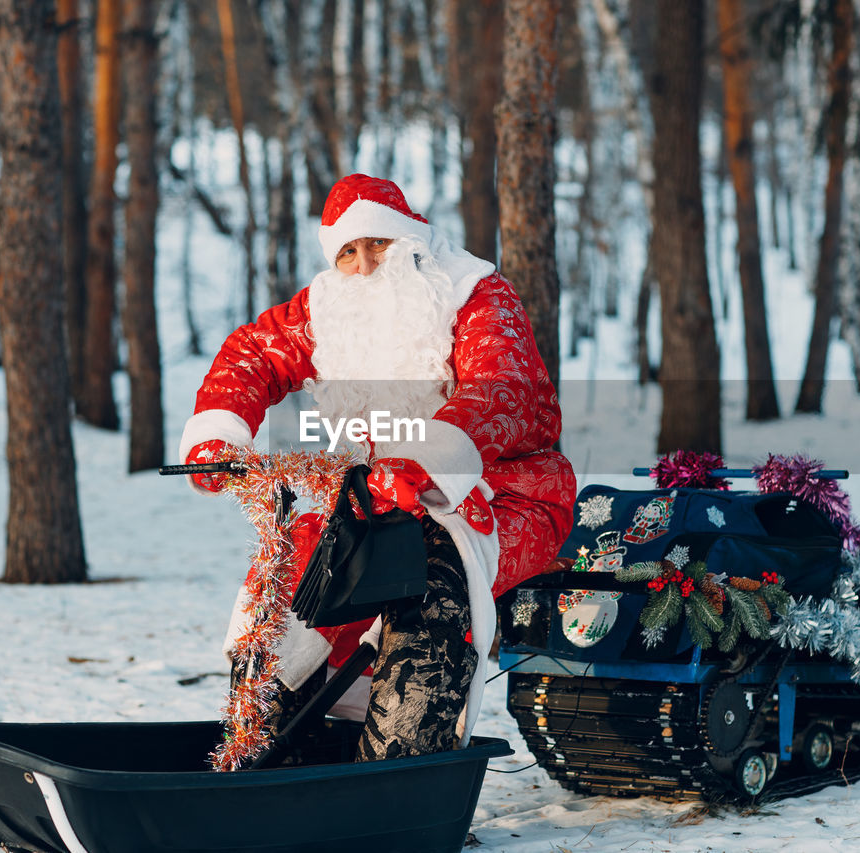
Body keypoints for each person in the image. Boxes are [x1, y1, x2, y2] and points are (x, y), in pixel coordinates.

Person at [179, 173, 575, 760]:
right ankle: (269, 744)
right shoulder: (330, 311)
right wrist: (220, 435)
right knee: (294, 572)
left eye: (379, 245)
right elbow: (254, 353)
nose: (364, 265)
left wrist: (421, 461)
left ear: (410, 240)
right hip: (378, 503)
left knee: (434, 577)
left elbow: (503, 390)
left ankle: (404, 760)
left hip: (509, 493)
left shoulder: (473, 294)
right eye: (348, 252)